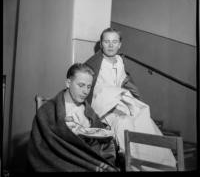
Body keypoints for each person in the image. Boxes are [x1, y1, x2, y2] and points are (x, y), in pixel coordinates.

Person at [85, 28, 176, 171]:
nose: (110, 45)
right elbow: (94, 92)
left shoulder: (120, 60)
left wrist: (127, 102)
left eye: (114, 42)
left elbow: (123, 82)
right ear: (101, 44)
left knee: (145, 120)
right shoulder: (94, 63)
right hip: (103, 107)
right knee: (124, 123)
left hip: (121, 102)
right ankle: (135, 166)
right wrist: (113, 108)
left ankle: (162, 166)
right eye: (106, 41)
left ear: (120, 44)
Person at [27, 63, 119, 172]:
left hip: (89, 158)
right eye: (81, 85)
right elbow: (40, 148)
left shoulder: (88, 110)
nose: (85, 91)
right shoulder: (47, 110)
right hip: (63, 161)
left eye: (88, 86)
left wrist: (104, 133)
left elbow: (101, 138)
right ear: (68, 83)